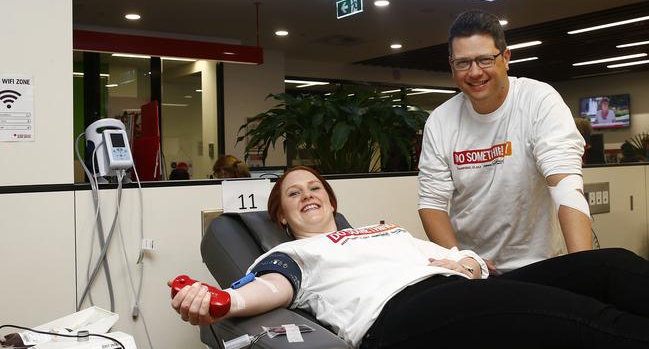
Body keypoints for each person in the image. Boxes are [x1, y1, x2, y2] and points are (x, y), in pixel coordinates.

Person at [171, 166, 649, 348]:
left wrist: (468, 264)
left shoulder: (384, 231)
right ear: (281, 214)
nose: (308, 195)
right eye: (294, 193)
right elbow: (264, 291)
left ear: (333, 201)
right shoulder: (291, 251)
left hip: (460, 289)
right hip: (401, 315)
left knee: (612, 264)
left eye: (316, 187)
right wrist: (216, 302)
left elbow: (461, 256)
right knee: (590, 321)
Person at [418, 10, 591, 273]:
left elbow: (566, 186)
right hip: (475, 269)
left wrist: (585, 268)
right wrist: (461, 260)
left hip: (541, 264)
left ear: (506, 57)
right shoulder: (441, 121)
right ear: (452, 65)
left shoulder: (539, 100)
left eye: (485, 59)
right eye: (463, 63)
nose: (475, 72)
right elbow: (432, 203)